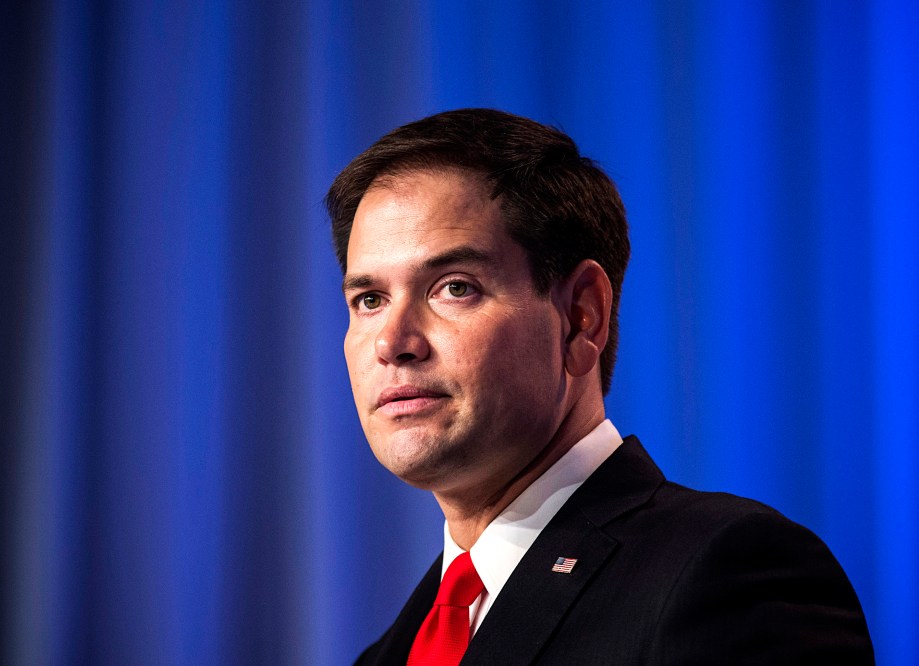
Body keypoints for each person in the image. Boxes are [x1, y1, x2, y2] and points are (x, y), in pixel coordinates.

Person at [326, 108, 873, 665]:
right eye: (369, 300)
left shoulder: (730, 576)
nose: (391, 342)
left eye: (454, 287)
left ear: (581, 316)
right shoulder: (388, 654)